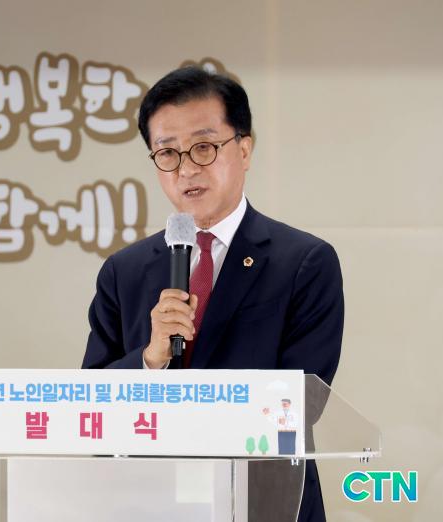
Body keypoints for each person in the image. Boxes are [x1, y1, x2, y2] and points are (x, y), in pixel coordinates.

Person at [81, 66, 344, 522]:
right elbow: (91, 403)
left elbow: (302, 401)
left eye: (203, 147)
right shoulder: (124, 272)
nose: (186, 169)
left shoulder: (303, 262)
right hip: (151, 502)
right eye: (167, 152)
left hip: (264, 501)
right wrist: (150, 361)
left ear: (244, 149)